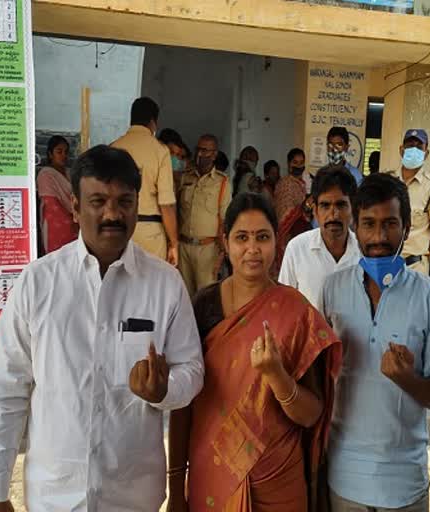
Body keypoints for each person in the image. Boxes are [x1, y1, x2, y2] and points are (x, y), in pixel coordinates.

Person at [0, 145, 205, 512]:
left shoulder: (165, 284)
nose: (112, 214)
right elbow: (7, 390)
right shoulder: (37, 283)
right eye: (98, 201)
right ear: (74, 206)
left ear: (138, 205)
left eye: (124, 202)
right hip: (54, 496)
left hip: (134, 496)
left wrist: (165, 390)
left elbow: (191, 370)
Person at [167, 193, 342, 512]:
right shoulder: (202, 307)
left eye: (263, 237)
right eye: (241, 238)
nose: (252, 249)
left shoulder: (297, 313)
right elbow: (183, 405)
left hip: (278, 481)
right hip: (213, 478)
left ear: (277, 241)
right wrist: (176, 488)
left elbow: (312, 413)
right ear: (225, 242)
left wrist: (277, 376)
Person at [322, 173, 430, 512]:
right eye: (368, 224)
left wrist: (407, 379)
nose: (379, 236)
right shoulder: (332, 289)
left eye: (390, 224)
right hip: (343, 477)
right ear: (355, 227)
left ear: (407, 228)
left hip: (404, 482)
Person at [111, 97, 179, 266]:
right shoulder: (160, 151)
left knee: (119, 285)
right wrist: (174, 243)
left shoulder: (113, 148)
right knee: (151, 287)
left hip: (118, 229)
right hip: (150, 233)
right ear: (152, 122)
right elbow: (166, 205)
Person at [279, 168, 360, 309]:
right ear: (315, 210)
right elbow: (284, 306)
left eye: (341, 205)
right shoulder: (297, 249)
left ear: (353, 209)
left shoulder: (364, 252)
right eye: (325, 206)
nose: (333, 215)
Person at [177, 134, 232, 296]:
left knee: (205, 297)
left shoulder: (222, 182)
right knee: (183, 296)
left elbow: (224, 219)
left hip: (208, 249)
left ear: (214, 154)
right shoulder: (185, 177)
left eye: (206, 151)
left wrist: (222, 253)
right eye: (198, 149)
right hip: (184, 246)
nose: (200, 154)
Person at [389, 129, 430, 277]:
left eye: (419, 147)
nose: (413, 150)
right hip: (386, 264)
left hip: (415, 268)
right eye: (409, 145)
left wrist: (425, 256)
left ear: (426, 153)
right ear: (401, 150)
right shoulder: (387, 181)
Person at [36, 135, 78, 254]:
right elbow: (52, 204)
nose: (64, 155)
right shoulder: (46, 174)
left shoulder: (70, 174)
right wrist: (72, 222)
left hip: (75, 223)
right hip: (56, 224)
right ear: (50, 154)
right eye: (59, 151)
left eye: (66, 152)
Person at [275, 148, 308, 224]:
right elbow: (286, 215)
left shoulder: (301, 183)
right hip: (288, 230)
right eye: (295, 162)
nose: (299, 166)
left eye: (301, 162)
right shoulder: (286, 184)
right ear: (289, 164)